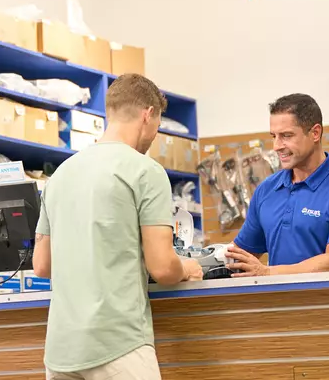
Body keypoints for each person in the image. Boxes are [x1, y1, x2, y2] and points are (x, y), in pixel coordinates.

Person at [32, 73, 203, 380]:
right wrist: (187, 268)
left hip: (61, 351)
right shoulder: (146, 171)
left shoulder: (59, 176)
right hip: (118, 346)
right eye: (157, 126)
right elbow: (163, 268)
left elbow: (42, 265)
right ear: (147, 115)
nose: (154, 136)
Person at [227, 93, 329, 276]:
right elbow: (240, 254)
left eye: (286, 136)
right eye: (274, 136)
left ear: (315, 133)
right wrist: (201, 263)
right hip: (278, 296)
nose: (276, 146)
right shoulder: (266, 190)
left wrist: (268, 273)